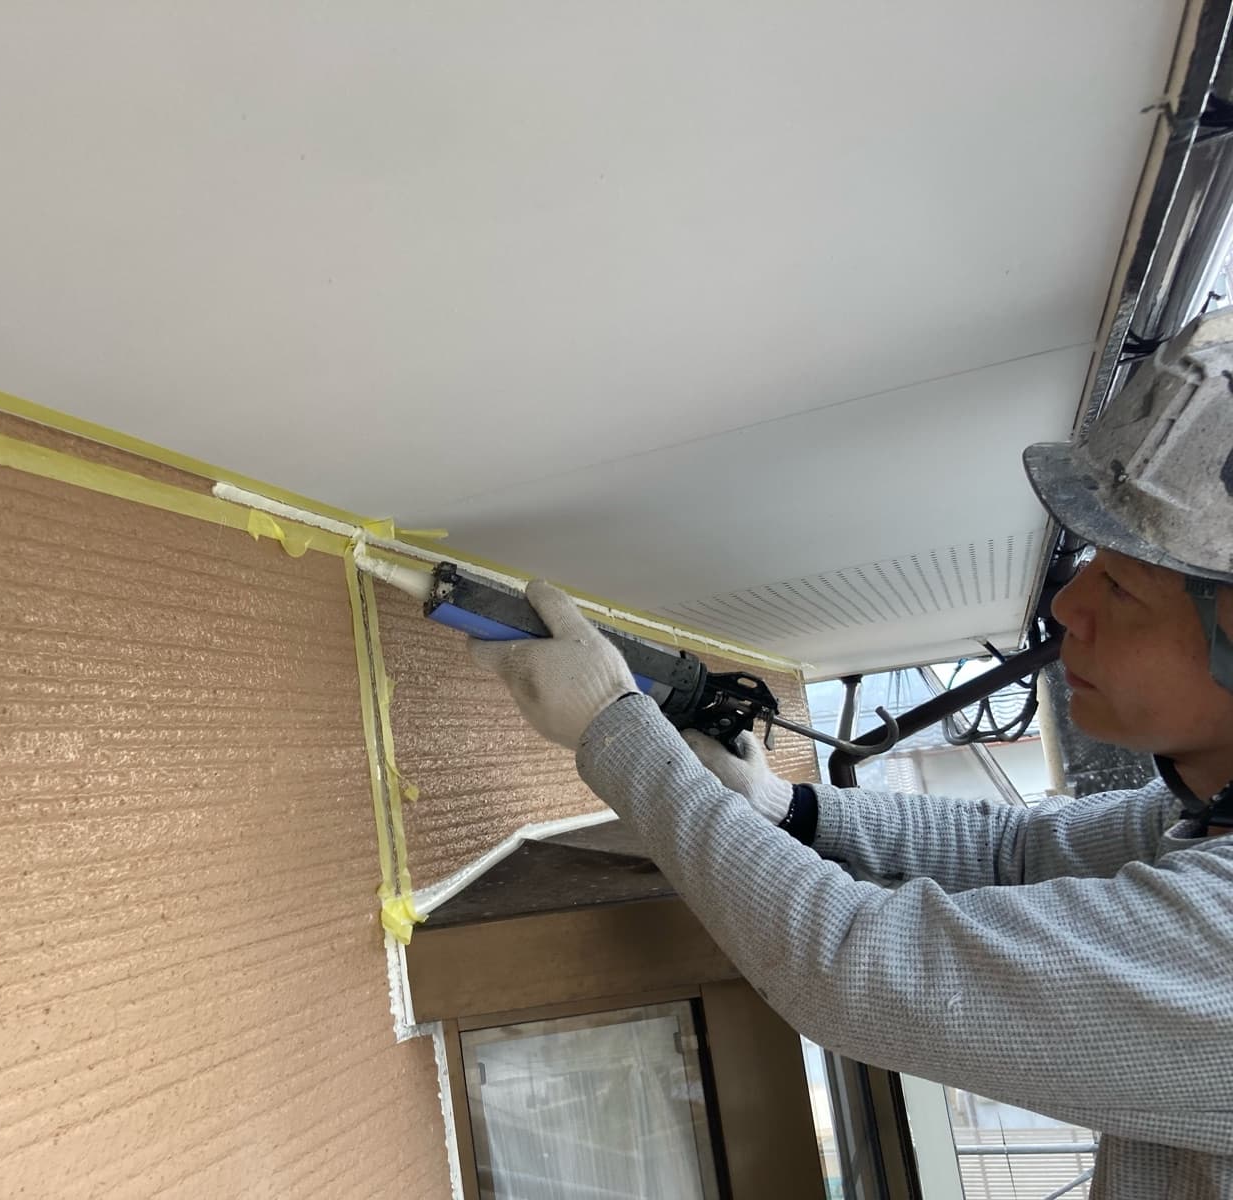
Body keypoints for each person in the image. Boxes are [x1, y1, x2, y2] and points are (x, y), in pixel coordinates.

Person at [470, 309, 1233, 1199]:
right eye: (1091, 563)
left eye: (1125, 586)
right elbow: (1014, 853)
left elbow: (861, 969)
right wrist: (784, 808)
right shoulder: (1204, 814)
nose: (1069, 606)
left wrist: (616, 731)